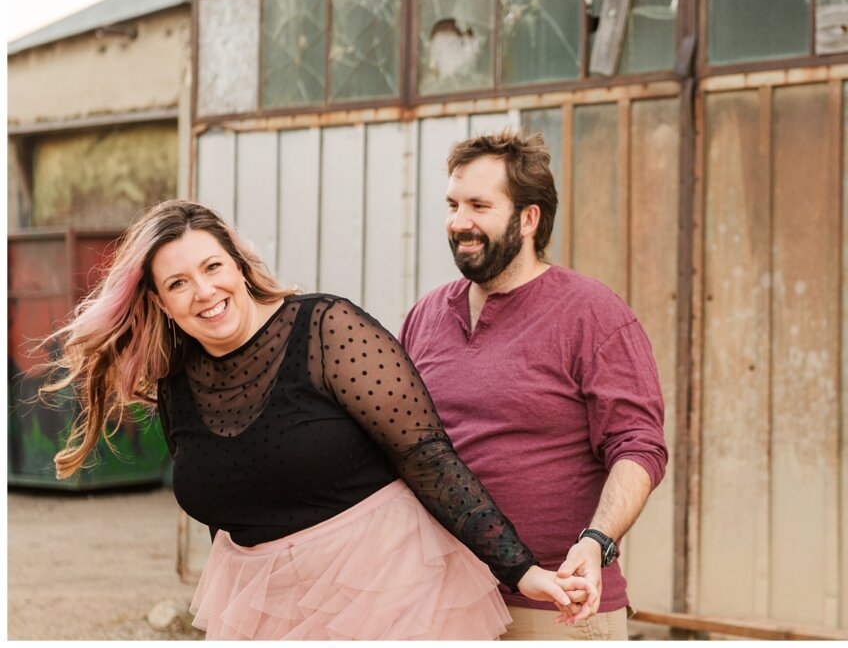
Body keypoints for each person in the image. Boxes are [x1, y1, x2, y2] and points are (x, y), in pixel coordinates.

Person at [42, 199, 597, 640]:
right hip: (264, 611)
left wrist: (521, 569)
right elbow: (228, 496)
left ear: (238, 264)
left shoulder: (326, 329)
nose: (205, 292)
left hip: (386, 592)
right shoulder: (177, 384)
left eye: (212, 267)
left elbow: (426, 455)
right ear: (162, 303)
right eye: (179, 283)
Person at [399, 130, 669, 640]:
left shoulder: (592, 314)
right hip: (440, 602)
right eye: (453, 204)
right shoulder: (426, 315)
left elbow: (639, 446)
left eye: (479, 205)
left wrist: (596, 541)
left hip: (556, 606)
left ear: (529, 218)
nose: (459, 222)